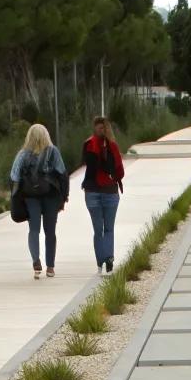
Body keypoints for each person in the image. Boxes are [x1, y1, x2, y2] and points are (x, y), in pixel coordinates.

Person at [10, 124, 69, 278]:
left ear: (29, 136)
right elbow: (63, 174)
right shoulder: (53, 152)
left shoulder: (23, 154)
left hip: (31, 197)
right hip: (50, 196)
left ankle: (36, 263)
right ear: (46, 135)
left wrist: (16, 198)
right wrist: (64, 197)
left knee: (34, 229)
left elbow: (14, 177)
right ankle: (50, 267)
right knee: (50, 232)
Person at [81, 116, 125, 273]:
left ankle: (103, 261)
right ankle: (106, 259)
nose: (101, 131)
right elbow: (118, 171)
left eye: (103, 128)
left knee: (100, 229)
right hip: (105, 192)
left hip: (95, 192)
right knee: (106, 229)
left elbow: (87, 163)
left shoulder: (100, 145)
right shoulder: (106, 146)